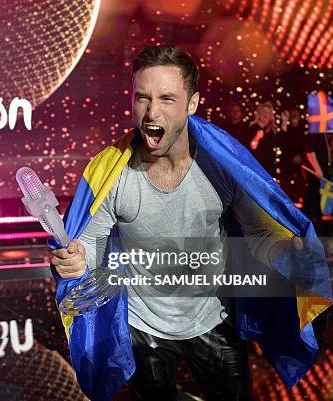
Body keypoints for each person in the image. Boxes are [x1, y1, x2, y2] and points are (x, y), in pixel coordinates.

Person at [50, 45, 304, 401]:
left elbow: (258, 231)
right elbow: (90, 243)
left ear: (192, 103)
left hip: (211, 317)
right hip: (143, 326)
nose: (152, 112)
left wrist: (282, 248)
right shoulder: (110, 172)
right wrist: (76, 260)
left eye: (167, 98)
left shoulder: (223, 166)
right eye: (142, 98)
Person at [244, 101, 279, 175]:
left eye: (268, 113)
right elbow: (251, 147)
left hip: (269, 167)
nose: (266, 114)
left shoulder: (271, 131)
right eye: (264, 112)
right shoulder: (253, 128)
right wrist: (257, 137)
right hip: (257, 166)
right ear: (259, 113)